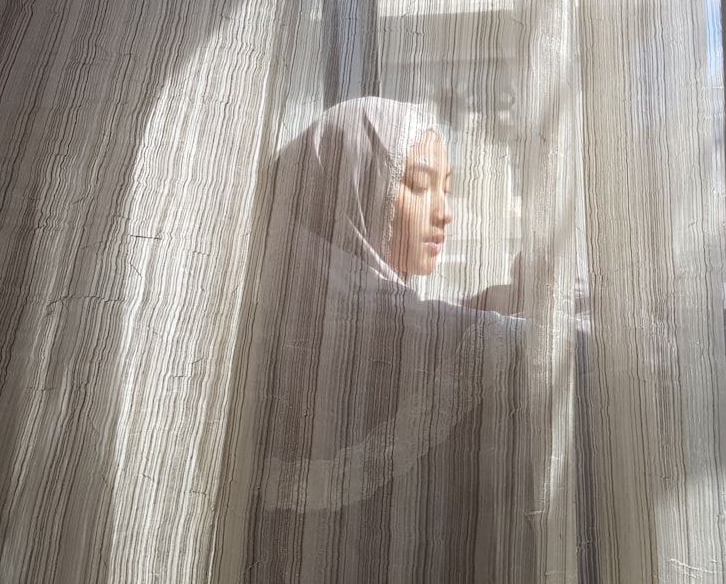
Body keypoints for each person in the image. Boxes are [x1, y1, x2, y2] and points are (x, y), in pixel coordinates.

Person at [215, 97, 530, 582]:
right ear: (354, 192)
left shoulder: (309, 304)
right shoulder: (358, 320)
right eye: (418, 185)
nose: (444, 213)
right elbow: (507, 348)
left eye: (446, 189)